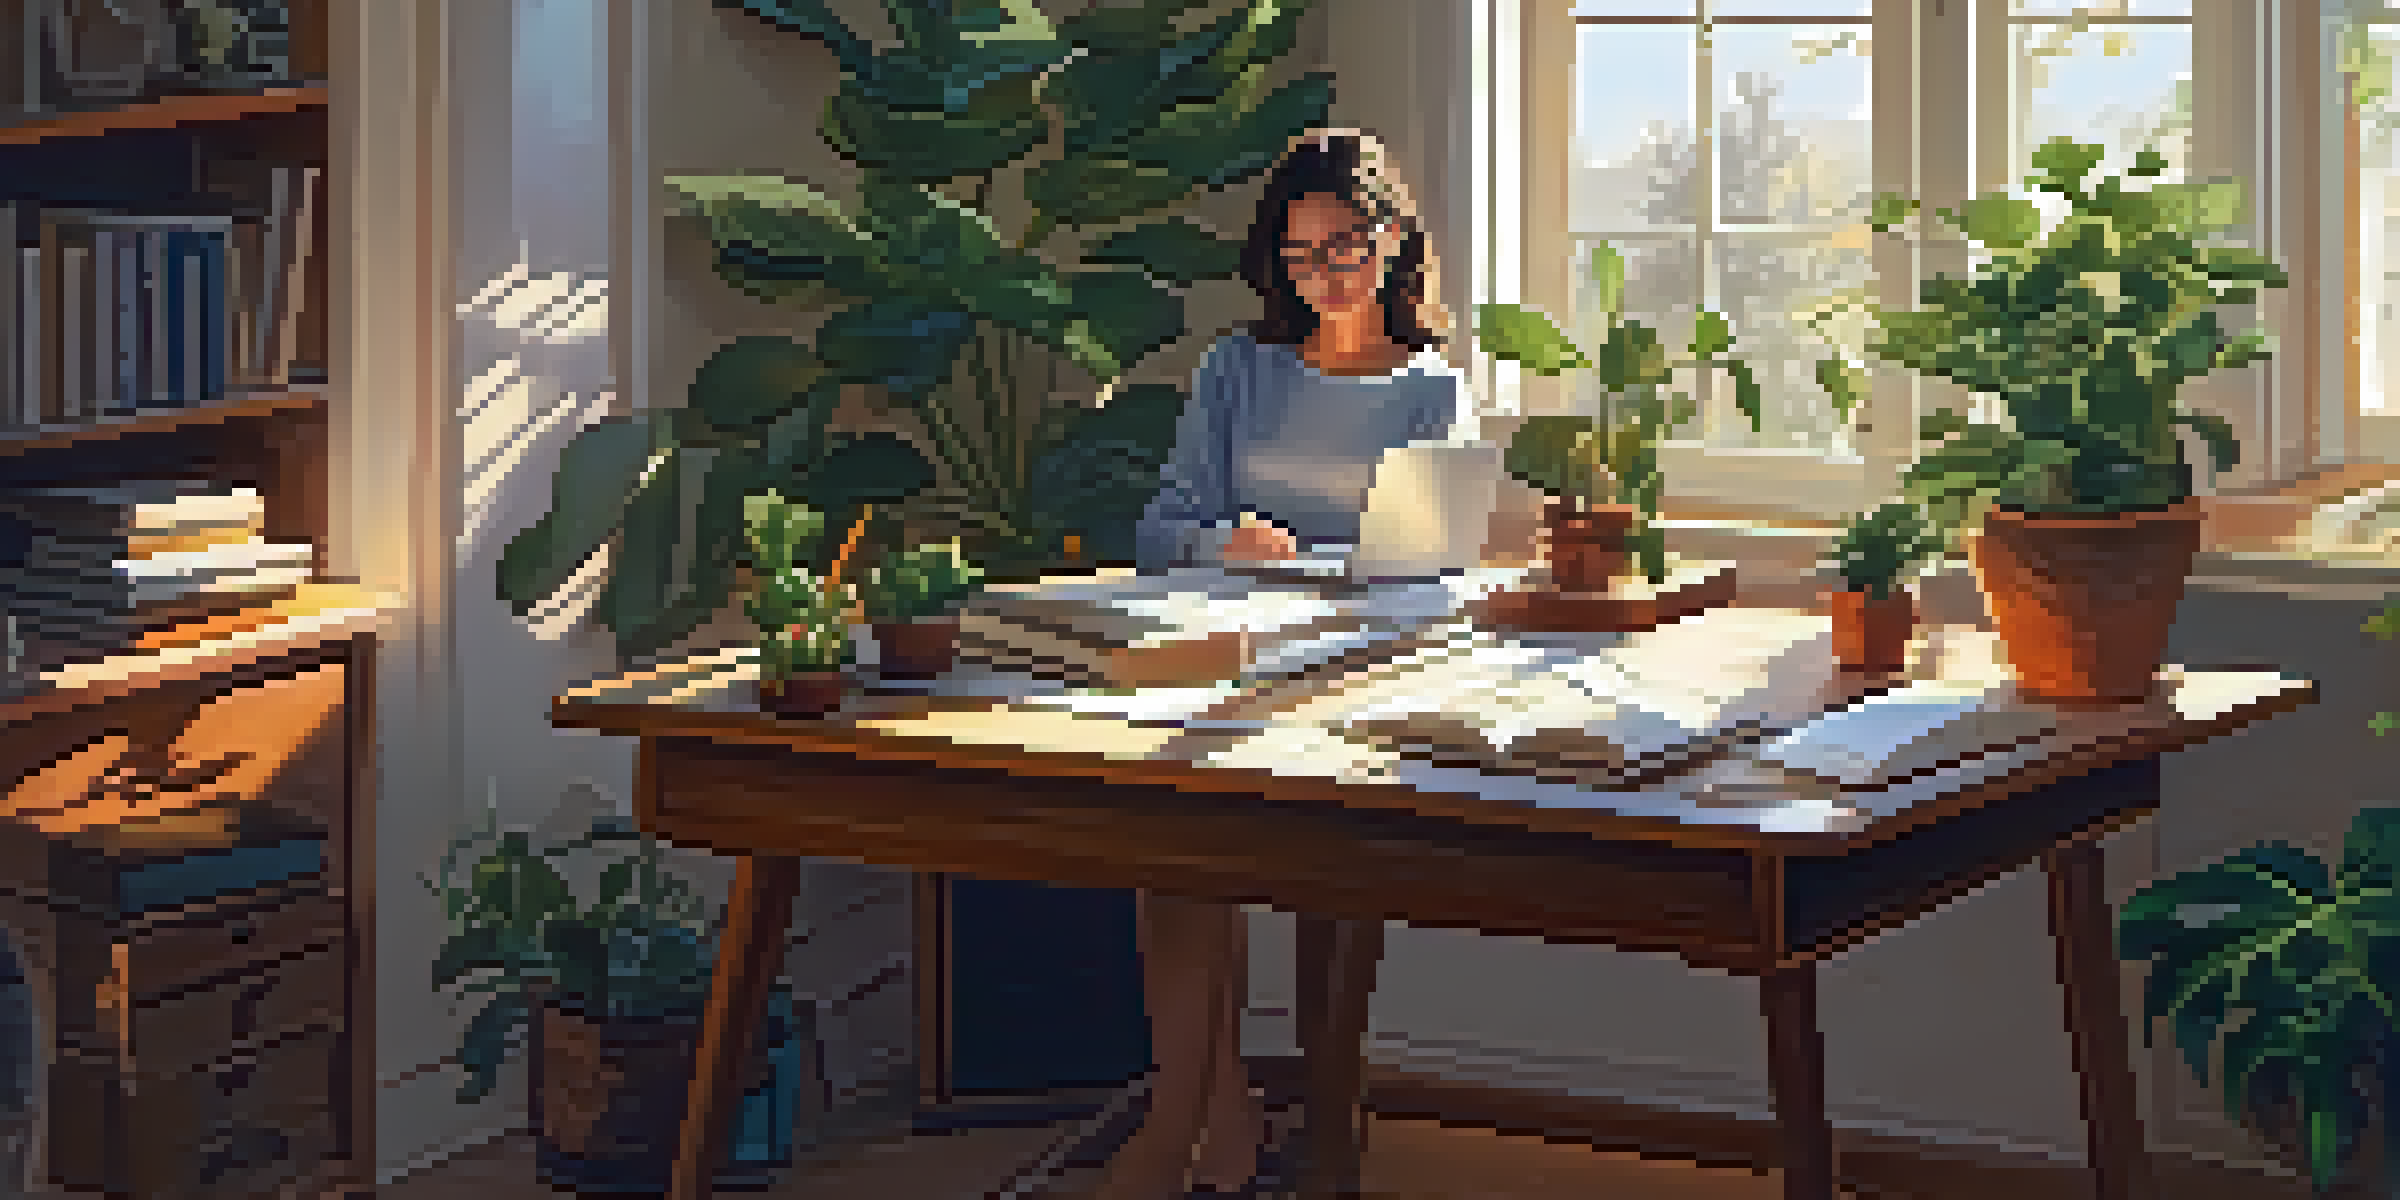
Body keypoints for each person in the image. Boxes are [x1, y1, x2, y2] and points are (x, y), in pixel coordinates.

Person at [1107, 128, 1505, 1200]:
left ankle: (1313, 1124)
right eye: (1299, 255)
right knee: (1173, 850)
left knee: (1327, 878)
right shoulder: (1237, 368)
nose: (1323, 274)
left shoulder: (1431, 387)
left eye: (1343, 247)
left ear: (1392, 241)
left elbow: (1441, 564)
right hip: (1222, 652)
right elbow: (1160, 527)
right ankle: (1196, 1114)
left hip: (1360, 670)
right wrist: (1220, 543)